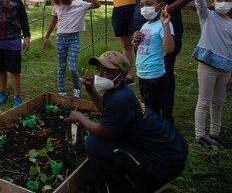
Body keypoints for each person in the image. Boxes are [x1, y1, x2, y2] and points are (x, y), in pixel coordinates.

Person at [105, 0, 195, 123]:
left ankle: (166, 116)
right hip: (142, 20)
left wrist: (169, 9)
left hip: (167, 20)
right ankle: (148, 110)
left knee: (166, 66)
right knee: (146, 63)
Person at [65, 50, 187, 193]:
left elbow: (102, 132)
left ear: (122, 75)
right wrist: (91, 90)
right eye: (98, 70)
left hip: (165, 162)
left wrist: (80, 117)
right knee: (104, 141)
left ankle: (119, 188)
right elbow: (106, 110)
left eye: (107, 72)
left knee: (94, 144)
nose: (99, 75)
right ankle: (145, 181)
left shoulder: (120, 99)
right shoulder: (118, 89)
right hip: (167, 149)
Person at [182, 0, 232, 147]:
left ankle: (215, 133)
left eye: (227, 0)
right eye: (220, 0)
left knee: (218, 102)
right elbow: (199, 2)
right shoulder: (207, 17)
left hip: (225, 68)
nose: (223, 3)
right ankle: (200, 136)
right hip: (208, 67)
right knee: (204, 100)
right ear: (213, 2)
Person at [44, 0, 101, 98]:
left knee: (73, 67)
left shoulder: (80, 4)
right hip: (60, 39)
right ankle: (62, 90)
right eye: (63, 1)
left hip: (73, 39)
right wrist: (46, 37)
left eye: (68, 0)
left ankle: (77, 88)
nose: (66, 3)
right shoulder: (57, 6)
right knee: (61, 66)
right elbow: (53, 22)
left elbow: (97, 5)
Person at [132, 0, 175, 117]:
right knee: (147, 105)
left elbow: (169, 49)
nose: (144, 8)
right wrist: (135, 40)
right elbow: (141, 47)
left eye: (149, 4)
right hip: (142, 73)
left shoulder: (164, 25)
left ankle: (154, 131)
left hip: (154, 76)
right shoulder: (145, 24)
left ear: (161, 6)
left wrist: (166, 26)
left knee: (151, 110)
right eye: (142, 5)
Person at [101, 0, 136, 82]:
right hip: (119, 10)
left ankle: (145, 71)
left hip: (134, 9)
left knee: (139, 44)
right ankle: (127, 74)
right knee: (127, 45)